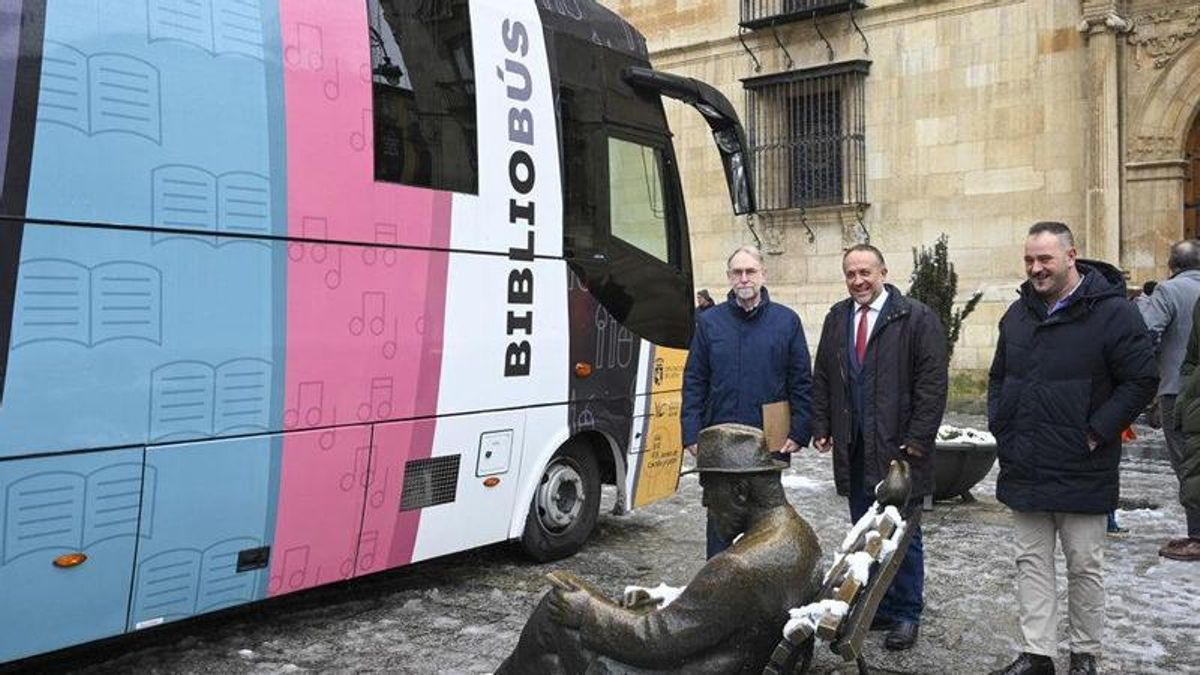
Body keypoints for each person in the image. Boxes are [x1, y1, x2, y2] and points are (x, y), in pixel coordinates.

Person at [494, 424, 823, 675]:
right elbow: (704, 617)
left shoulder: (739, 567)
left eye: (708, 489)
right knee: (557, 636)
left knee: (553, 614)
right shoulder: (797, 534)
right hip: (728, 660)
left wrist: (586, 612)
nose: (705, 502)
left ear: (740, 491)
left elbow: (655, 640)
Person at [988, 222, 1157, 675]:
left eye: (1045, 259)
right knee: (1031, 563)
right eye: (1029, 260)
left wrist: (1099, 429)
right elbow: (999, 377)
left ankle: (1085, 653)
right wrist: (1001, 424)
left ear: (1071, 256)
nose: (1036, 268)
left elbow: (1142, 379)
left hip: (1083, 461)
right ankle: (1037, 653)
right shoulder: (1017, 314)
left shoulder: (1114, 313)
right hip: (1025, 460)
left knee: (1084, 565)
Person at [810, 243, 948, 652]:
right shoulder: (837, 318)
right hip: (854, 449)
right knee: (867, 532)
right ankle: (882, 607)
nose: (858, 281)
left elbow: (932, 385)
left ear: (884, 272)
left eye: (865, 272)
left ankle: (907, 613)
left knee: (903, 533)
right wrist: (822, 425)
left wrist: (918, 440)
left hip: (899, 451)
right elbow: (822, 377)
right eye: (851, 274)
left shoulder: (915, 317)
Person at [682, 245, 812, 558]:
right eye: (737, 273)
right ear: (729, 277)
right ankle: (716, 592)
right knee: (720, 525)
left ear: (762, 274)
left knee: (766, 523)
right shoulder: (709, 322)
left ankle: (759, 590)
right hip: (720, 441)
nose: (744, 278)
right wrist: (690, 433)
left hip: (768, 440)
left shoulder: (787, 321)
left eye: (750, 271)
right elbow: (695, 380)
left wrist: (800, 430)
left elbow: (801, 380)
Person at [1135, 239, 1200, 559]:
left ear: (1172, 266)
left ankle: (1197, 536)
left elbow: (1147, 332)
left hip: (1181, 392)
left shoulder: (1167, 291)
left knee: (1190, 467)